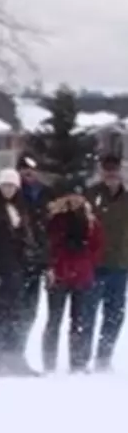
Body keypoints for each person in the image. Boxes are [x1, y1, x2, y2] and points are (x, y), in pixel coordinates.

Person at [0, 168, 38, 376]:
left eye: (12, 186)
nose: (8, 189)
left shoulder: (20, 208)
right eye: (5, 185)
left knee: (17, 318)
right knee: (0, 318)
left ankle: (14, 358)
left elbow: (25, 237)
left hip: (17, 271)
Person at [41, 193, 104, 373]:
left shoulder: (91, 221)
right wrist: (52, 265)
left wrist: (88, 262)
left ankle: (78, 362)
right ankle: (49, 363)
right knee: (54, 320)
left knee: (79, 321)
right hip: (60, 273)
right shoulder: (55, 220)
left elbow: (97, 246)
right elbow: (49, 245)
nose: (75, 202)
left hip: (82, 275)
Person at [83, 153, 128, 372]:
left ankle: (104, 357)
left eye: (115, 170)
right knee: (88, 313)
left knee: (115, 314)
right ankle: (81, 359)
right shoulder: (90, 197)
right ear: (102, 172)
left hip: (120, 266)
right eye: (107, 170)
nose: (111, 174)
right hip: (95, 266)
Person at [15, 153, 53, 360]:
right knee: (15, 310)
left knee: (30, 311)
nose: (28, 172)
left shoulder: (46, 193)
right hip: (17, 260)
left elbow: (51, 227)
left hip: (38, 259)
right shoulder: (13, 193)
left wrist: (48, 260)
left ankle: (18, 353)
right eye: (24, 168)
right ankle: (8, 353)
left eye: (31, 169)